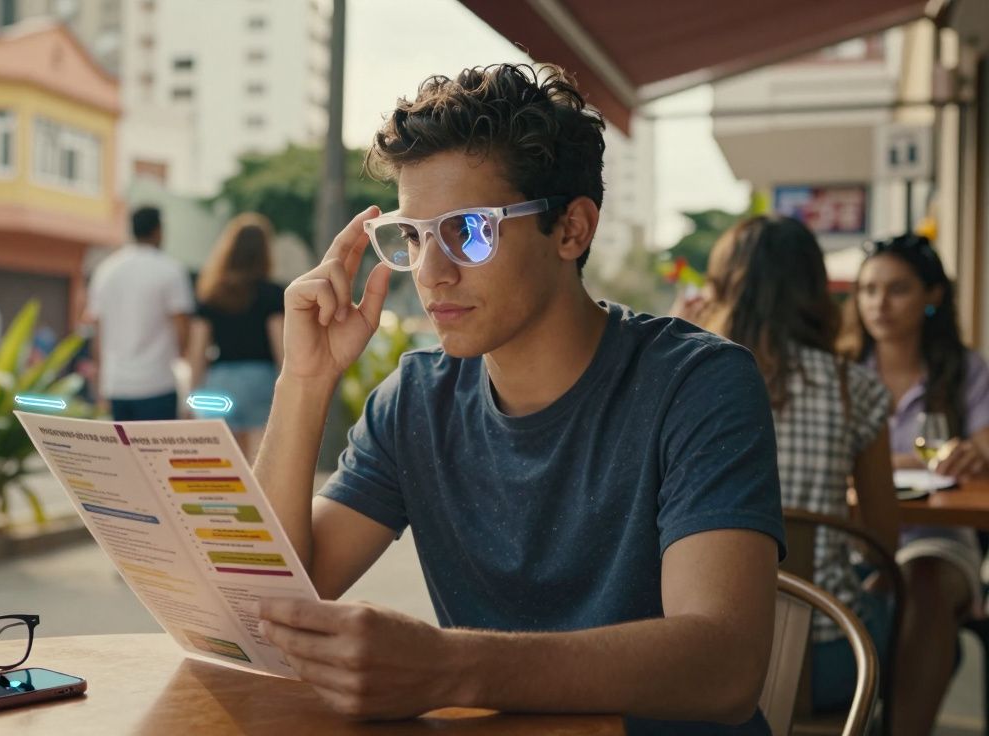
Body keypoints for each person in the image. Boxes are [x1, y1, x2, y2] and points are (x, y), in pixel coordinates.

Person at [251, 63, 785, 735]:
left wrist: (450, 666)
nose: (431, 272)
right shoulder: (415, 401)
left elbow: (724, 668)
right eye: (412, 237)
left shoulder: (697, 384)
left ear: (571, 230)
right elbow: (273, 608)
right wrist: (304, 382)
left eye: (469, 230)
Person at [676, 216, 899, 716]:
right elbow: (885, 541)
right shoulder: (854, 388)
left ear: (724, 287)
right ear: (815, 291)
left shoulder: (688, 383)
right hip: (829, 656)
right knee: (905, 603)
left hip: (700, 663)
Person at [839, 233, 989, 736]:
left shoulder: (966, 371)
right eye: (868, 290)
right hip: (855, 538)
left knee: (922, 582)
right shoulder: (841, 371)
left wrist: (979, 450)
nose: (878, 304)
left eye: (897, 289)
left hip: (941, 541)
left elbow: (986, 440)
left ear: (933, 296)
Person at [187, 213, 285, 463]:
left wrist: (193, 393)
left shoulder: (211, 294)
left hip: (222, 381)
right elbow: (281, 347)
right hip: (261, 377)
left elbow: (198, 350)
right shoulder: (272, 294)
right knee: (261, 457)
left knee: (229, 460)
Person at [86, 206, 193, 421]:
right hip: (157, 382)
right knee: (158, 453)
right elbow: (182, 328)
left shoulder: (106, 270)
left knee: (123, 454)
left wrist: (100, 381)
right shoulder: (170, 270)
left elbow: (97, 330)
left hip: (116, 384)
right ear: (158, 230)